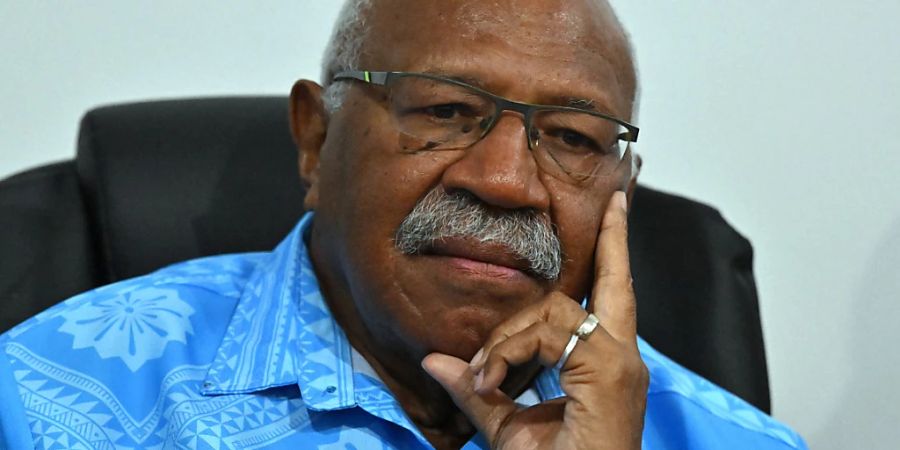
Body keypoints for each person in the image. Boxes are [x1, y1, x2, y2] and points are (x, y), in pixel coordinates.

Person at [0, 0, 806, 449]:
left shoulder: (735, 442)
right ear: (316, 140)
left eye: (570, 137)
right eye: (448, 111)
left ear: (620, 187)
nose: (505, 181)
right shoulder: (47, 405)